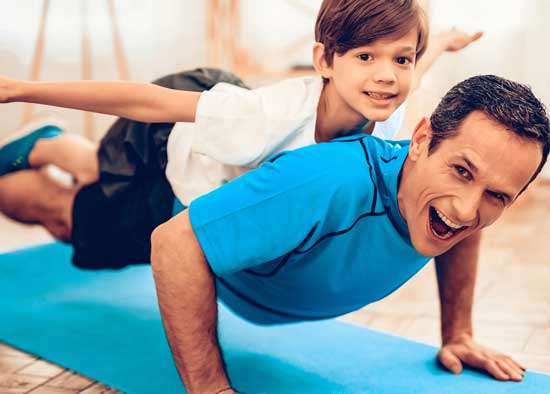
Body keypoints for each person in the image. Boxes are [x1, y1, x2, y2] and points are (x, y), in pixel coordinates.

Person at [0, 0, 495, 390]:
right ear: (324, 60)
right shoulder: (271, 116)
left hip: (210, 155)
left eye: (400, 59)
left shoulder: (384, 111)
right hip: (162, 141)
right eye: (366, 56)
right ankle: (50, 144)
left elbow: (416, 65)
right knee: (90, 179)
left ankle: (63, 151)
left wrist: (442, 43)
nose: (388, 74)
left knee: (90, 201)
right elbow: (147, 103)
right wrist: (23, 88)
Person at [149, 75, 549, 393]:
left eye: (496, 195)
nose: (466, 208)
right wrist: (211, 389)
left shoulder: (446, 205)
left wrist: (458, 332)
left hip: (245, 166)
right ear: (422, 140)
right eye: (462, 171)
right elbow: (174, 244)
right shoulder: (331, 179)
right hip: (158, 159)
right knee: (92, 205)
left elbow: (464, 223)